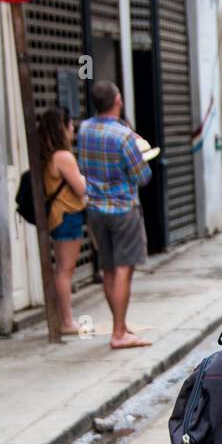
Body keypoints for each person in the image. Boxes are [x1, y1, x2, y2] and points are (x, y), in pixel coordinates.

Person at [77, 80, 153, 348]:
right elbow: (142, 176)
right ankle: (119, 333)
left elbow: (82, 166)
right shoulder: (123, 136)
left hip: (95, 209)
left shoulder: (84, 129)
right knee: (123, 269)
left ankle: (118, 325)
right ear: (118, 100)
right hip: (122, 208)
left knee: (107, 268)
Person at [38, 106, 88, 335]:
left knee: (62, 269)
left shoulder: (47, 156)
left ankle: (62, 319)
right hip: (68, 216)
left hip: (58, 217)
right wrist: (87, 180)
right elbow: (80, 187)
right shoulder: (63, 156)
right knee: (65, 270)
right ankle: (67, 321)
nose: (73, 130)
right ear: (62, 127)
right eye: (69, 125)